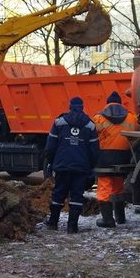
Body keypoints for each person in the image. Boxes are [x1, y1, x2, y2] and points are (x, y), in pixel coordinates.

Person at [44, 97, 99, 233]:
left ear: (69, 106)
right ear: (82, 107)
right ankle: (72, 226)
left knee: (58, 193)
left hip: (62, 165)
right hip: (81, 167)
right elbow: (94, 150)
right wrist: (91, 167)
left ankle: (53, 223)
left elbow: (50, 147)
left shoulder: (58, 123)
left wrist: (51, 162)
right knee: (77, 196)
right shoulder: (90, 125)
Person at [91, 91, 138, 228]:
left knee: (104, 188)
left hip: (104, 157)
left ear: (108, 103)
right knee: (118, 187)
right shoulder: (131, 117)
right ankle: (120, 217)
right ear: (120, 103)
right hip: (124, 157)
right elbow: (137, 132)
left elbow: (92, 135)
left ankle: (107, 220)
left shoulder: (99, 118)